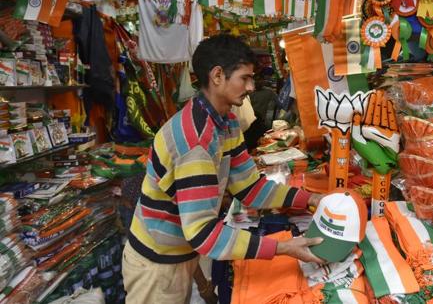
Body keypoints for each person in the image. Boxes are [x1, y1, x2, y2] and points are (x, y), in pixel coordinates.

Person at [122, 35, 324, 304]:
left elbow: (250, 188)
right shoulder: (197, 141)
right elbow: (203, 234)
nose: (251, 86)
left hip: (179, 248)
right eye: (244, 77)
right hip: (157, 263)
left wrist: (310, 198)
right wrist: (284, 248)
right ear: (217, 76)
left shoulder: (225, 121)